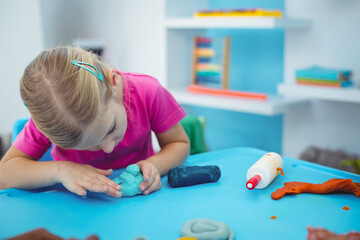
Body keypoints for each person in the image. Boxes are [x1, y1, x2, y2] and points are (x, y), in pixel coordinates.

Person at [0, 46, 190, 198]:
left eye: (111, 129)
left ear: (113, 83)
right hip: (76, 205)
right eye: (88, 146)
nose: (108, 148)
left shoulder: (148, 92)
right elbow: (4, 173)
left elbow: (178, 143)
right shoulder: (53, 119)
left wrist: (156, 164)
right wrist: (60, 170)